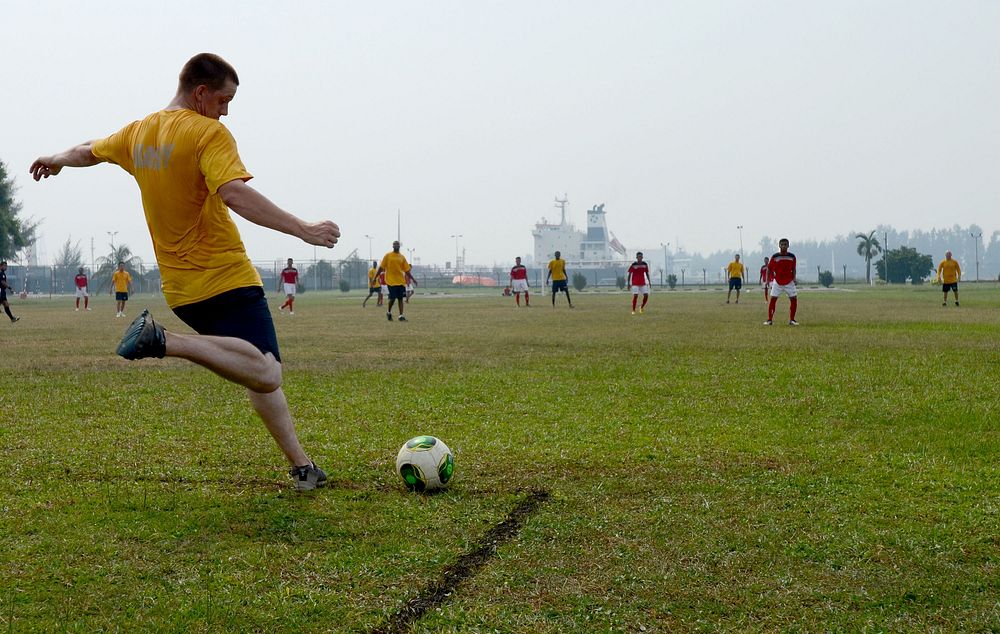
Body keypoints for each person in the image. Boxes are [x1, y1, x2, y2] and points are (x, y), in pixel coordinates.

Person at [29, 53, 340, 491]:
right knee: (267, 371)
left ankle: (302, 466)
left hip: (181, 289)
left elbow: (88, 150)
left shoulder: (139, 133)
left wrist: (56, 158)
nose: (226, 110)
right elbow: (234, 193)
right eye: (224, 99)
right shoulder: (207, 132)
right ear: (200, 93)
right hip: (224, 276)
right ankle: (163, 340)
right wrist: (302, 228)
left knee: (254, 369)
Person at [765, 238, 798, 326]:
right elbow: (769, 268)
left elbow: (793, 269)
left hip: (789, 281)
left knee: (794, 299)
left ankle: (792, 320)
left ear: (788, 246)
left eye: (785, 244)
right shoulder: (775, 256)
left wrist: (794, 278)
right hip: (778, 282)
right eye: (782, 244)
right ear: (779, 246)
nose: (783, 246)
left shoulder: (792, 257)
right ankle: (769, 320)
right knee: (773, 300)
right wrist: (768, 280)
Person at [376, 240, 411, 321]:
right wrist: (375, 278)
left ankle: (401, 315)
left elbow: (406, 270)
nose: (396, 245)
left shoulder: (402, 257)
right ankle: (388, 312)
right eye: (394, 244)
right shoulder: (388, 256)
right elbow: (381, 267)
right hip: (391, 281)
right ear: (392, 246)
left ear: (399, 246)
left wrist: (412, 279)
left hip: (401, 281)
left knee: (400, 299)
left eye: (397, 244)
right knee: (392, 298)